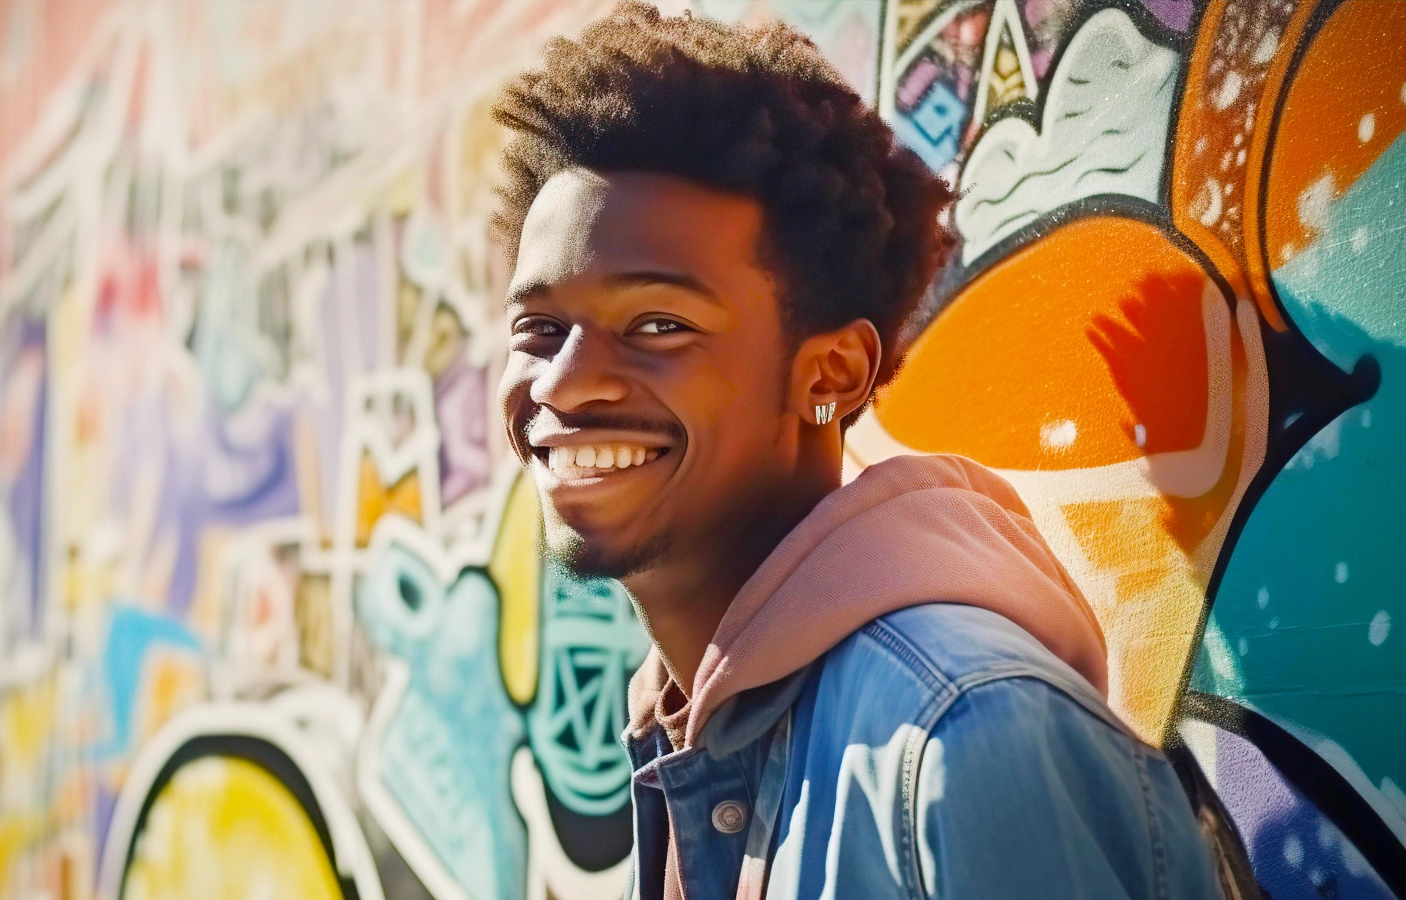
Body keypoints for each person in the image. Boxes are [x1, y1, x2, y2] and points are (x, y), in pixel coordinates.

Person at [489, 5, 1224, 899]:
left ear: (830, 373)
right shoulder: (694, 721)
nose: (563, 385)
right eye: (539, 327)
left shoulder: (960, 741)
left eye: (657, 324)